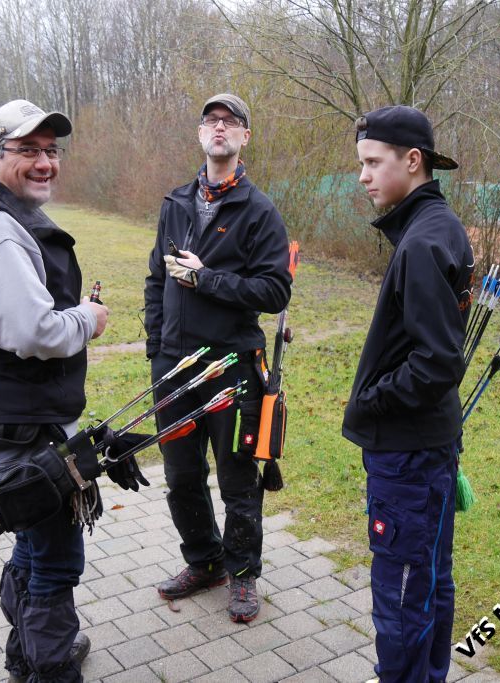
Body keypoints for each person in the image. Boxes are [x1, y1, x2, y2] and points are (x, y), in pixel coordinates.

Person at [0, 98, 146, 682]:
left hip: (23, 421)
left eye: (51, 150)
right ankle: (51, 668)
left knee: (33, 546)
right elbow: (29, 331)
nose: (45, 163)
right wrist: (88, 318)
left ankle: (24, 657)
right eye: (27, 150)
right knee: (55, 562)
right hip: (27, 430)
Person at [143, 93, 292, 622]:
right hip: (173, 369)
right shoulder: (175, 203)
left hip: (232, 368)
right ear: (200, 134)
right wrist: (156, 347)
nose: (220, 127)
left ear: (245, 136)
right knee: (181, 476)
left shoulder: (260, 210)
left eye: (230, 121)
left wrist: (206, 279)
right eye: (211, 120)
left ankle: (243, 574)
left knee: (237, 478)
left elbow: (275, 291)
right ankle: (204, 561)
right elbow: (156, 279)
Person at [342, 105, 474, 683]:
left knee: (401, 597)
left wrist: (372, 400)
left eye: (374, 163)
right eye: (362, 164)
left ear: (412, 161)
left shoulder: (422, 241)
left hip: (408, 455)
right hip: (429, 446)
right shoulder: (439, 227)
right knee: (430, 582)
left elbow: (438, 361)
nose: (363, 176)